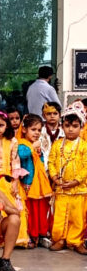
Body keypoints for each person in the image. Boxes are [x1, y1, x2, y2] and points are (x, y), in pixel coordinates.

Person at [0, 111, 30, 248]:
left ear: (7, 125)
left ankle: (15, 237)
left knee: (11, 206)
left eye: (1, 125)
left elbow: (15, 162)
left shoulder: (12, 141)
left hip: (8, 179)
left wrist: (15, 181)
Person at [48, 101, 87, 254]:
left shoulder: (84, 146)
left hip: (79, 189)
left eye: (75, 126)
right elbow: (51, 162)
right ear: (62, 126)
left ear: (81, 127)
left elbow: (86, 167)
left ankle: (76, 242)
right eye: (67, 126)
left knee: (78, 217)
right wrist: (55, 178)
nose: (70, 129)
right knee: (60, 216)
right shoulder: (57, 144)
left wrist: (76, 181)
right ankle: (60, 240)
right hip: (61, 188)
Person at [17, 114, 53, 249]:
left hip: (39, 183)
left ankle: (41, 234)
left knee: (40, 210)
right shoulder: (21, 144)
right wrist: (33, 147)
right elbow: (21, 155)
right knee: (31, 211)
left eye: (39, 130)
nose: (37, 133)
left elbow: (41, 162)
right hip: (27, 183)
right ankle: (31, 235)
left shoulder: (35, 145)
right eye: (33, 129)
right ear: (24, 129)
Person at [39, 102, 63, 172]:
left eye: (55, 113)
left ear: (60, 115)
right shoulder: (39, 130)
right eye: (49, 114)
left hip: (60, 167)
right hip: (43, 167)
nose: (52, 116)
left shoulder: (65, 130)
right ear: (43, 115)